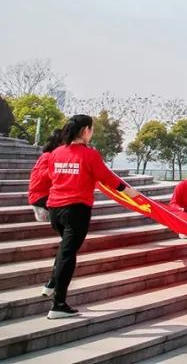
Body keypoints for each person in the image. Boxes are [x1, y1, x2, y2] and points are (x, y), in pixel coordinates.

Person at [43, 114, 137, 319]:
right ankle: (58, 304)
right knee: (68, 254)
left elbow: (51, 176)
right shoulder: (89, 154)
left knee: (66, 250)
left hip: (55, 210)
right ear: (85, 130)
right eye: (91, 129)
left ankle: (51, 283)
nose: (92, 133)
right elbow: (106, 176)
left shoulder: (56, 152)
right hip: (76, 210)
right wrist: (128, 191)